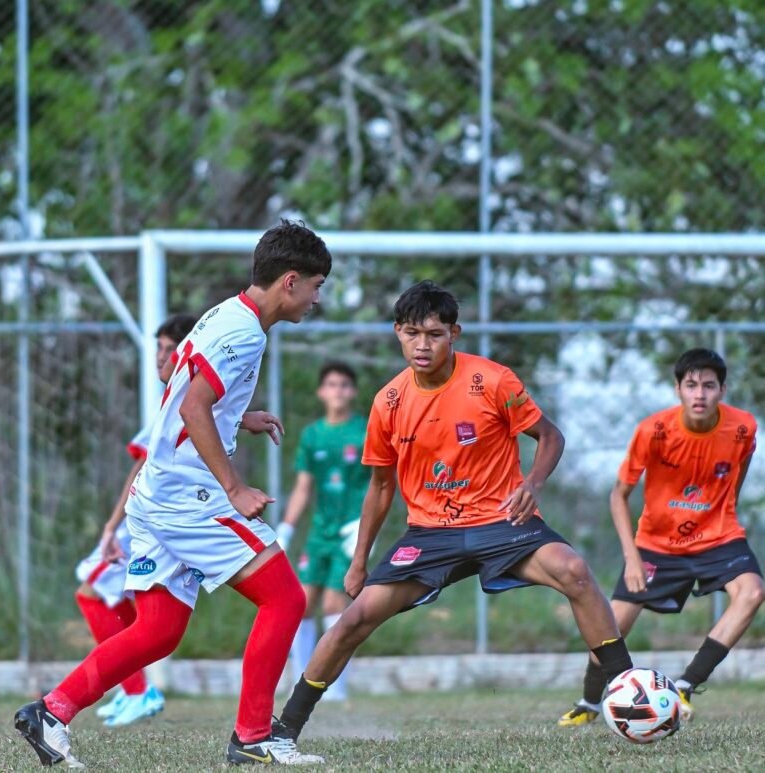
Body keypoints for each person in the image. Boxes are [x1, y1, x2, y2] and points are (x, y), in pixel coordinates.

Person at [14, 220, 332, 768]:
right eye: (316, 286)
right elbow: (192, 406)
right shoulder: (245, 333)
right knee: (285, 598)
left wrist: (238, 416)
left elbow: (184, 389)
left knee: (159, 630)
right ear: (290, 281)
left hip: (155, 492)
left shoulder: (224, 313)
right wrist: (234, 487)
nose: (316, 298)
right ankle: (253, 736)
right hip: (190, 498)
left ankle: (51, 711)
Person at [274, 280, 634, 751]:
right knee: (354, 619)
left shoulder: (493, 380)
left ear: (454, 334)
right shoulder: (388, 402)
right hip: (430, 534)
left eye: (434, 334)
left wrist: (533, 483)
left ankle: (631, 692)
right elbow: (380, 487)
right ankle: (285, 729)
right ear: (398, 333)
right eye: (412, 334)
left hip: (501, 522)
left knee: (575, 571)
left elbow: (550, 436)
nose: (422, 345)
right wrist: (359, 561)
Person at [558, 348, 762, 726]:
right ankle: (589, 703)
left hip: (718, 536)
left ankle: (685, 684)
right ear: (677, 389)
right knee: (609, 625)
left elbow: (742, 460)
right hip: (657, 545)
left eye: (709, 386)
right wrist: (633, 558)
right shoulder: (654, 431)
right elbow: (618, 495)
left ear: (722, 390)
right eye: (691, 385)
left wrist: (727, 506)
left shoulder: (743, 427)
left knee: (752, 592)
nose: (700, 394)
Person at [73, 313, 195, 727]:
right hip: (154, 521)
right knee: (119, 603)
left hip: (148, 522)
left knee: (92, 593)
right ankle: (134, 689)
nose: (161, 356)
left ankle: (137, 690)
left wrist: (112, 527)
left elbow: (139, 472)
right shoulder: (181, 401)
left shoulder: (183, 402)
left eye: (169, 349)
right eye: (158, 348)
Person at [276, 362, 370, 702]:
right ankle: (303, 680)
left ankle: (333, 688)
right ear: (321, 392)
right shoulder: (312, 435)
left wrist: (366, 528)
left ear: (353, 392)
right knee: (301, 603)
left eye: (344, 385)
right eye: (331, 384)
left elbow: (381, 482)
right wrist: (285, 529)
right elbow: (303, 488)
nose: (338, 391)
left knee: (334, 603)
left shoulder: (364, 431)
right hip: (319, 533)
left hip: (351, 533)